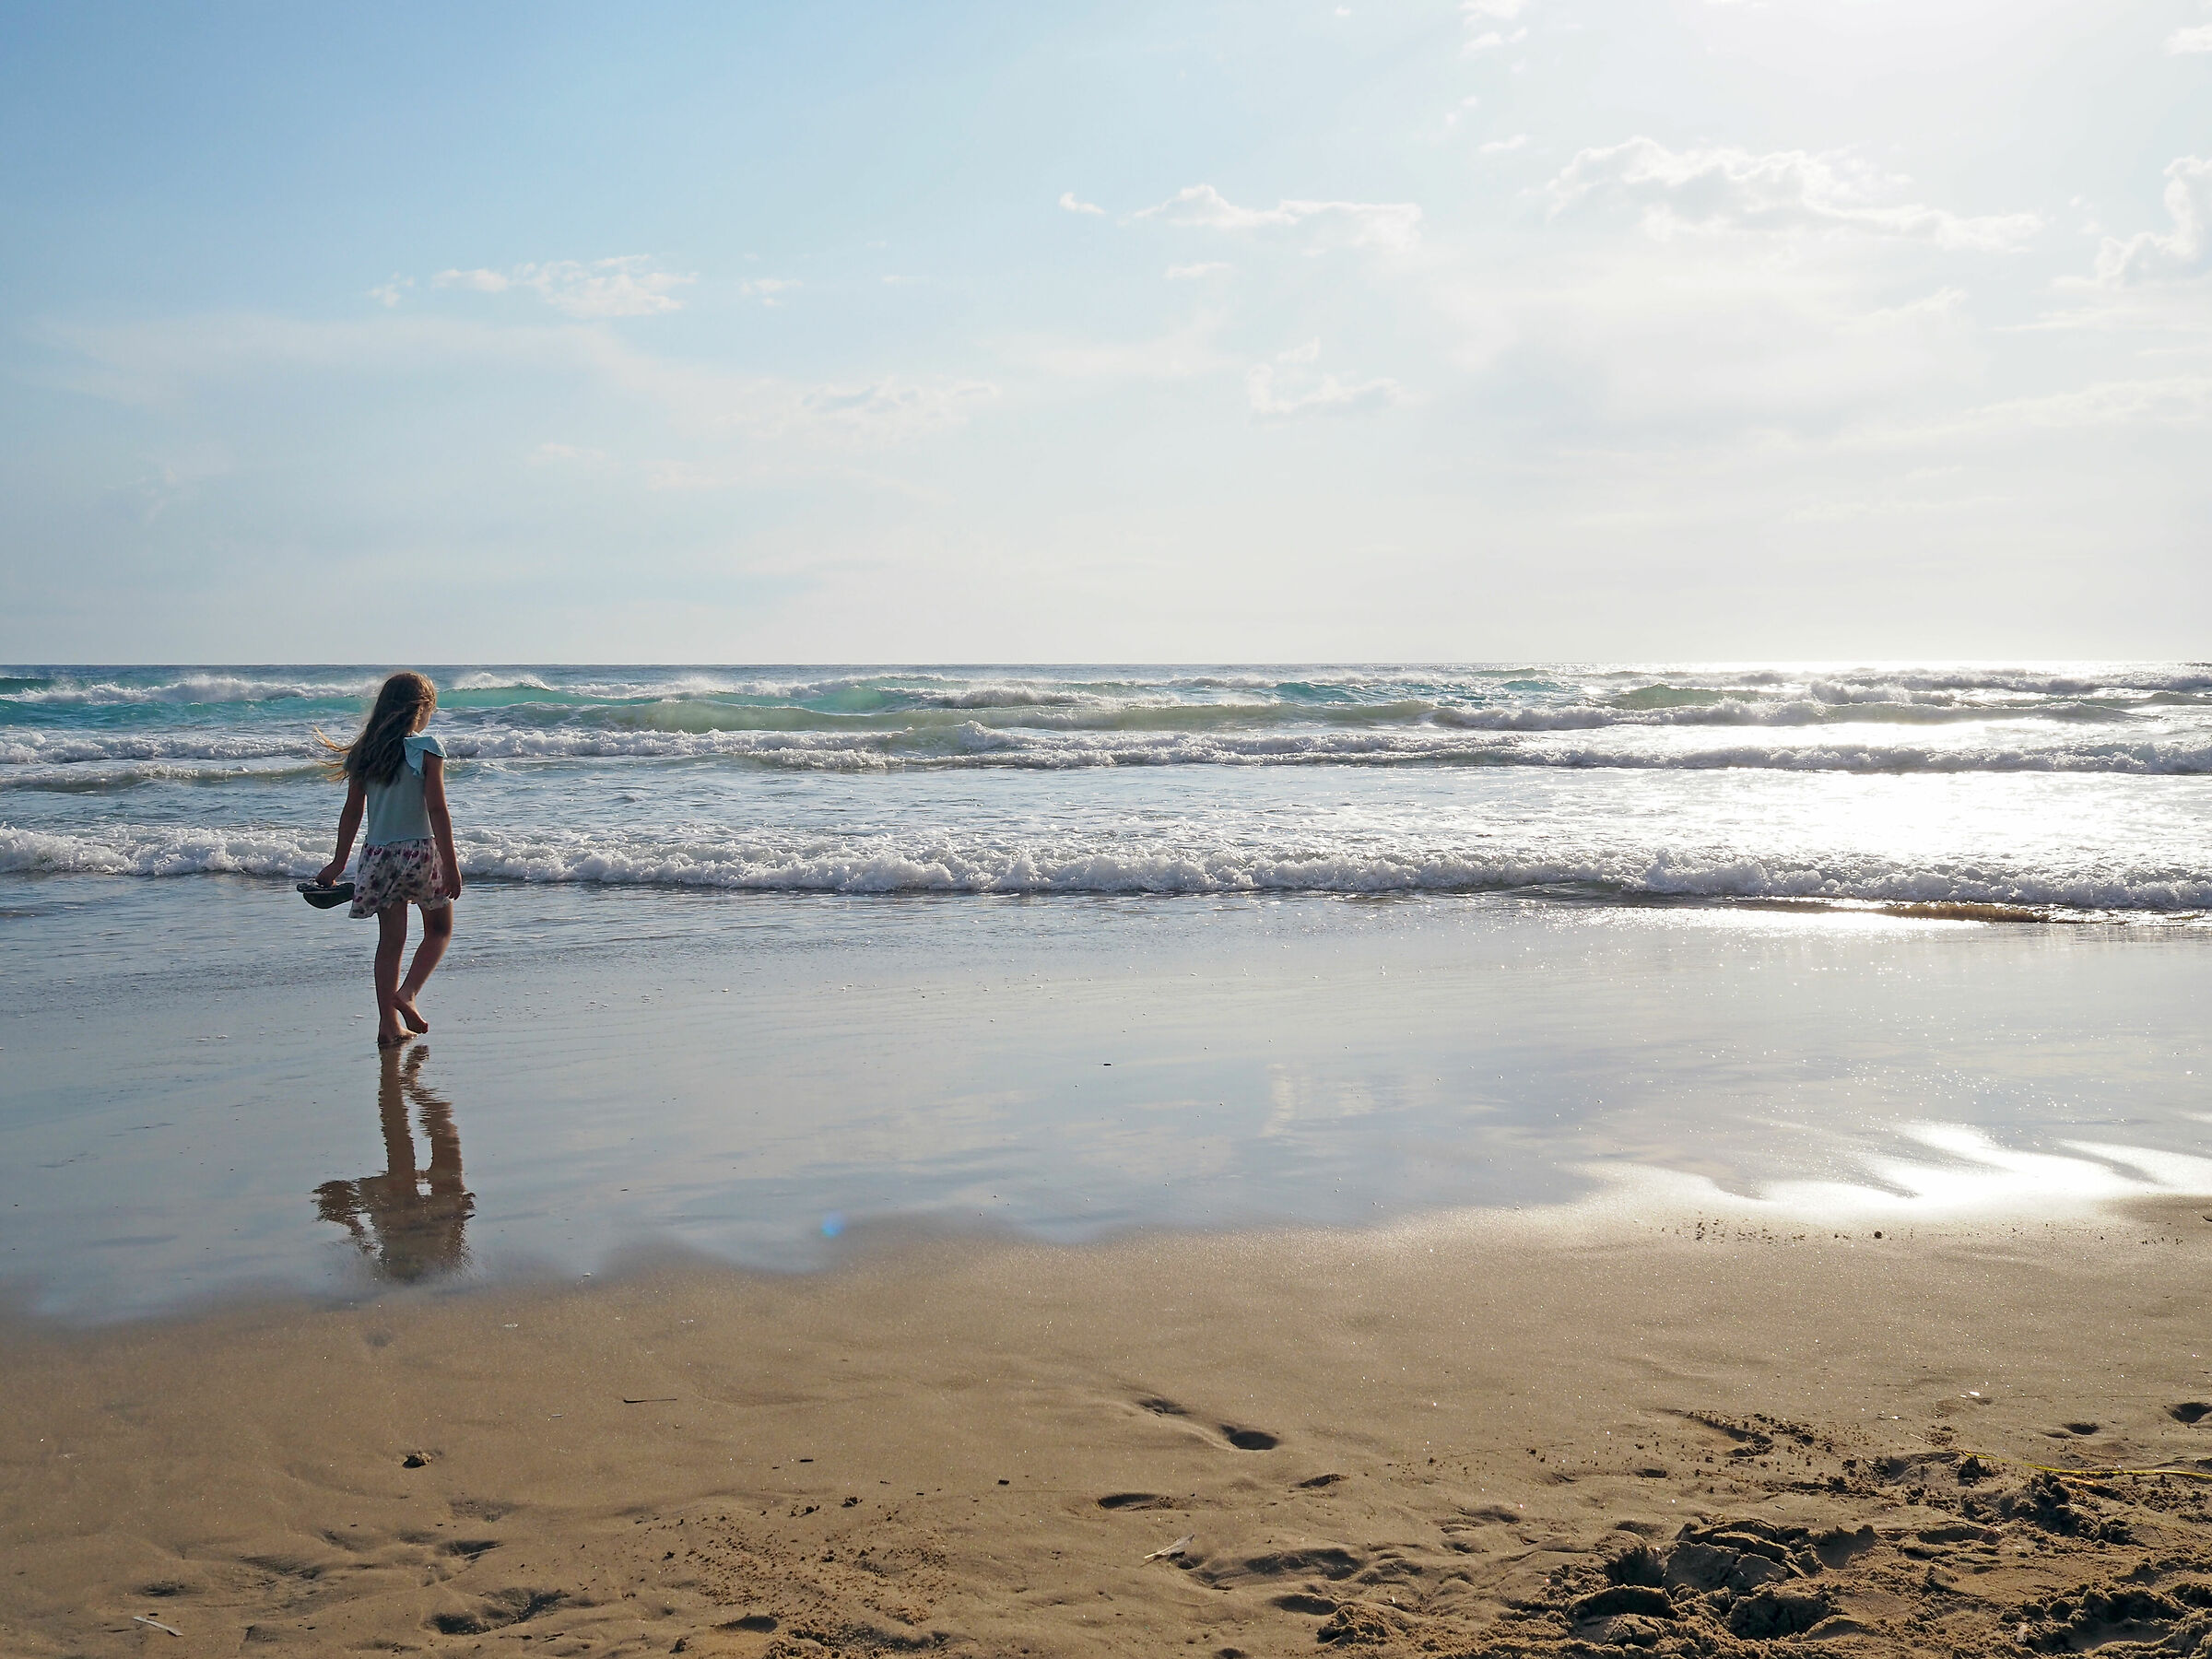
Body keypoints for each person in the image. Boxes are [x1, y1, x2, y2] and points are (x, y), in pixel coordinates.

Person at [315, 671, 462, 1048]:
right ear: (422, 709)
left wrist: (337, 863)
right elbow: (437, 809)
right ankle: (408, 992)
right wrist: (450, 862)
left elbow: (351, 812)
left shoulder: (366, 751)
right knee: (439, 930)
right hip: (419, 852)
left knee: (390, 942)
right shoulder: (426, 748)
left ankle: (387, 1025)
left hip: (378, 855)